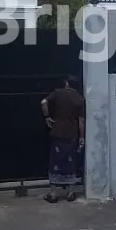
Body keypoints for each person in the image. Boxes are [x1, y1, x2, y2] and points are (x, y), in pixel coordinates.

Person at [40, 75, 85, 203]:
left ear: (66, 83)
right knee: (70, 161)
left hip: (57, 132)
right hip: (72, 134)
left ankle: (53, 193)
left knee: (55, 161)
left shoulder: (58, 93)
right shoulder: (79, 99)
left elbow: (43, 102)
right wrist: (81, 137)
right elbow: (81, 121)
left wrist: (47, 117)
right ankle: (70, 192)